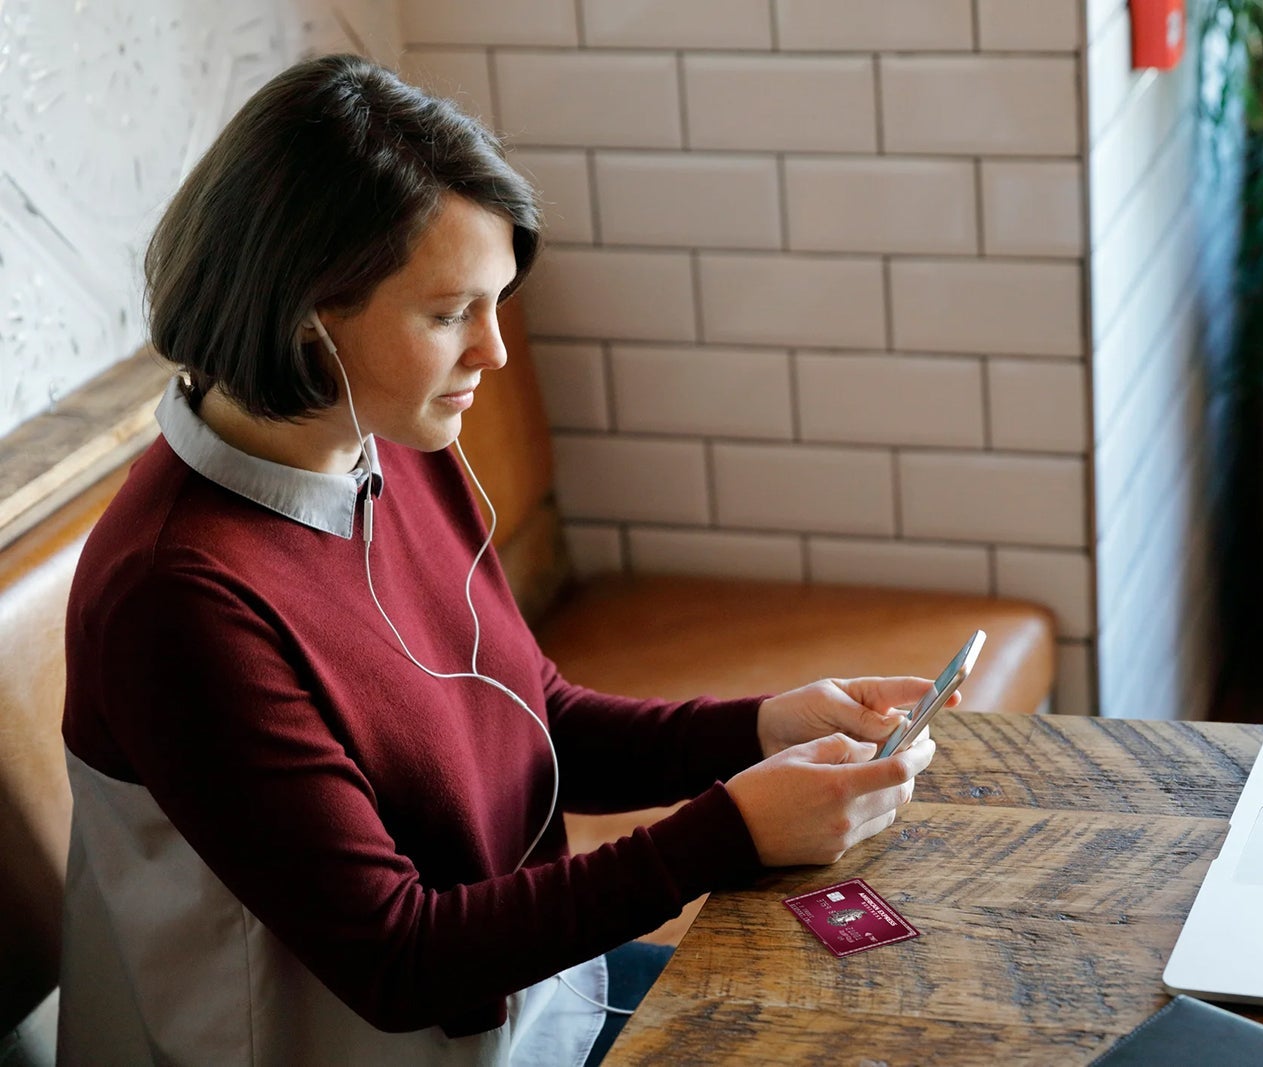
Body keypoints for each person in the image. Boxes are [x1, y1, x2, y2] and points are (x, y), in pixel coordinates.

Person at [57, 53, 938, 1067]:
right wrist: (727, 830)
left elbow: (532, 719)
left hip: (539, 1002)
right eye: (447, 314)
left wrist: (756, 726)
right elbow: (399, 958)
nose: (495, 353)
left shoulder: (381, 439)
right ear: (304, 321)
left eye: (495, 303)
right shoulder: (179, 598)